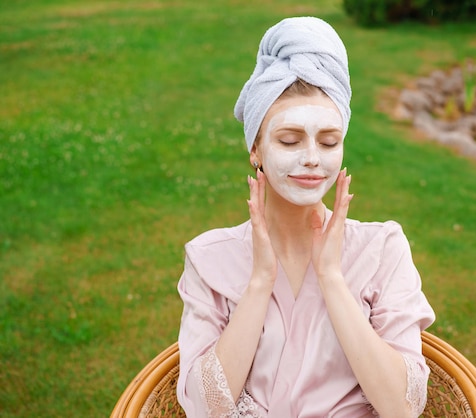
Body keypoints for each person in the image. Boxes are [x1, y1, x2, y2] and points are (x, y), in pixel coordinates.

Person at [176, 16, 435, 418]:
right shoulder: (209, 259)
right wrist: (261, 280)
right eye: (289, 139)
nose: (313, 157)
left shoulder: (382, 250)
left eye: (329, 141)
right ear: (256, 150)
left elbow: (403, 408)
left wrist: (331, 278)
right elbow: (204, 409)